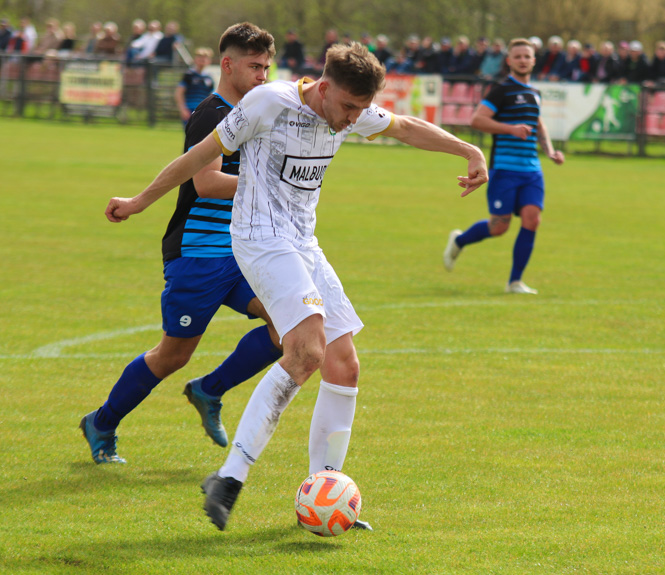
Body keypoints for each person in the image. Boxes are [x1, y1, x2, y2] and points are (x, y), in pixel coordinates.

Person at [112, 41, 487, 530]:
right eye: (349, 107)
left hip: (303, 242)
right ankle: (229, 477)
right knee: (307, 349)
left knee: (344, 363)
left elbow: (406, 127)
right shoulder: (269, 103)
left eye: (361, 109)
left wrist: (469, 148)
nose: (354, 119)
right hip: (259, 239)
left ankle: (325, 490)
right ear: (324, 87)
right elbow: (199, 158)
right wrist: (140, 201)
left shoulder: (351, 110)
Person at [80, 22, 282, 465]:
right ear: (228, 65)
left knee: (288, 326)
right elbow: (206, 182)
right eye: (254, 67)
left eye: (267, 67)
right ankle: (102, 421)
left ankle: (210, 390)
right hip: (197, 252)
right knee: (173, 355)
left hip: (236, 252)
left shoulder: (252, 114)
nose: (262, 76)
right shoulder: (213, 114)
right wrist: (267, 182)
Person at [443, 38, 563, 295]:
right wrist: (510, 129)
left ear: (533, 60)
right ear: (509, 61)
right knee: (499, 226)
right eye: (517, 56)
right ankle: (459, 240)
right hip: (504, 169)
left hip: (532, 170)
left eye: (526, 56)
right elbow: (477, 120)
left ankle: (515, 282)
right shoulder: (501, 90)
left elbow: (539, 125)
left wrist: (551, 152)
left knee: (533, 219)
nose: (522, 60)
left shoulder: (535, 93)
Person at [175, 47, 215, 125]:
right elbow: (179, 92)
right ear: (195, 59)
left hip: (203, 111)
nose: (202, 60)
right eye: (200, 57)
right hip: (189, 110)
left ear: (209, 61)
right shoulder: (189, 75)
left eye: (205, 58)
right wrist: (182, 109)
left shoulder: (209, 78)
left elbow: (211, 96)